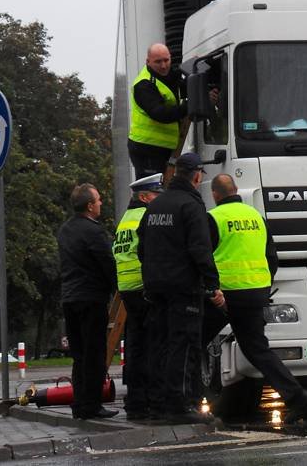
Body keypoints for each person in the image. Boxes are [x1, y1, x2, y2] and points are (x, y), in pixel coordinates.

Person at [207, 173, 307, 423]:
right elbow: (272, 258)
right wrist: (263, 286)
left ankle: (186, 402)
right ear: (235, 190)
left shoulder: (213, 218)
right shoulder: (256, 217)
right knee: (258, 349)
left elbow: (204, 258)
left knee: (194, 341)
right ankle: (297, 397)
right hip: (256, 293)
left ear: (215, 195)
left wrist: (210, 288)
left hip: (223, 295)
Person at [137, 153, 219, 424]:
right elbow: (200, 249)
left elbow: (142, 249)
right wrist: (212, 283)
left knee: (160, 344)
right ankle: (180, 404)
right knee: (183, 345)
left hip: (156, 287)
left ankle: (158, 403)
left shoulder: (155, 206)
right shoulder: (190, 205)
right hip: (184, 288)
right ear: (196, 175)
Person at [57, 183, 118, 420]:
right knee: (94, 354)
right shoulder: (94, 231)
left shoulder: (65, 230)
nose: (101, 203)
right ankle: (92, 405)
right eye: (99, 200)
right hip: (91, 299)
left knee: (79, 354)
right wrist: (116, 288)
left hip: (70, 298)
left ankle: (79, 403)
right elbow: (106, 263)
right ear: (90, 206)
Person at [112, 173, 163, 421]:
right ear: (144, 196)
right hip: (144, 288)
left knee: (134, 347)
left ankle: (135, 401)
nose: (158, 200)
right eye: (155, 195)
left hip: (127, 289)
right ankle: (152, 401)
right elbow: (151, 252)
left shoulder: (125, 219)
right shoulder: (146, 217)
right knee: (152, 346)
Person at [128, 43, 219, 179]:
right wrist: (193, 102)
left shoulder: (170, 75)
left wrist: (204, 89)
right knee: (149, 192)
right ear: (148, 62)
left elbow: (185, 87)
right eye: (158, 62)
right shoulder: (143, 84)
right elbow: (161, 114)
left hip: (164, 147)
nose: (164, 65)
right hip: (146, 149)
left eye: (166, 60)